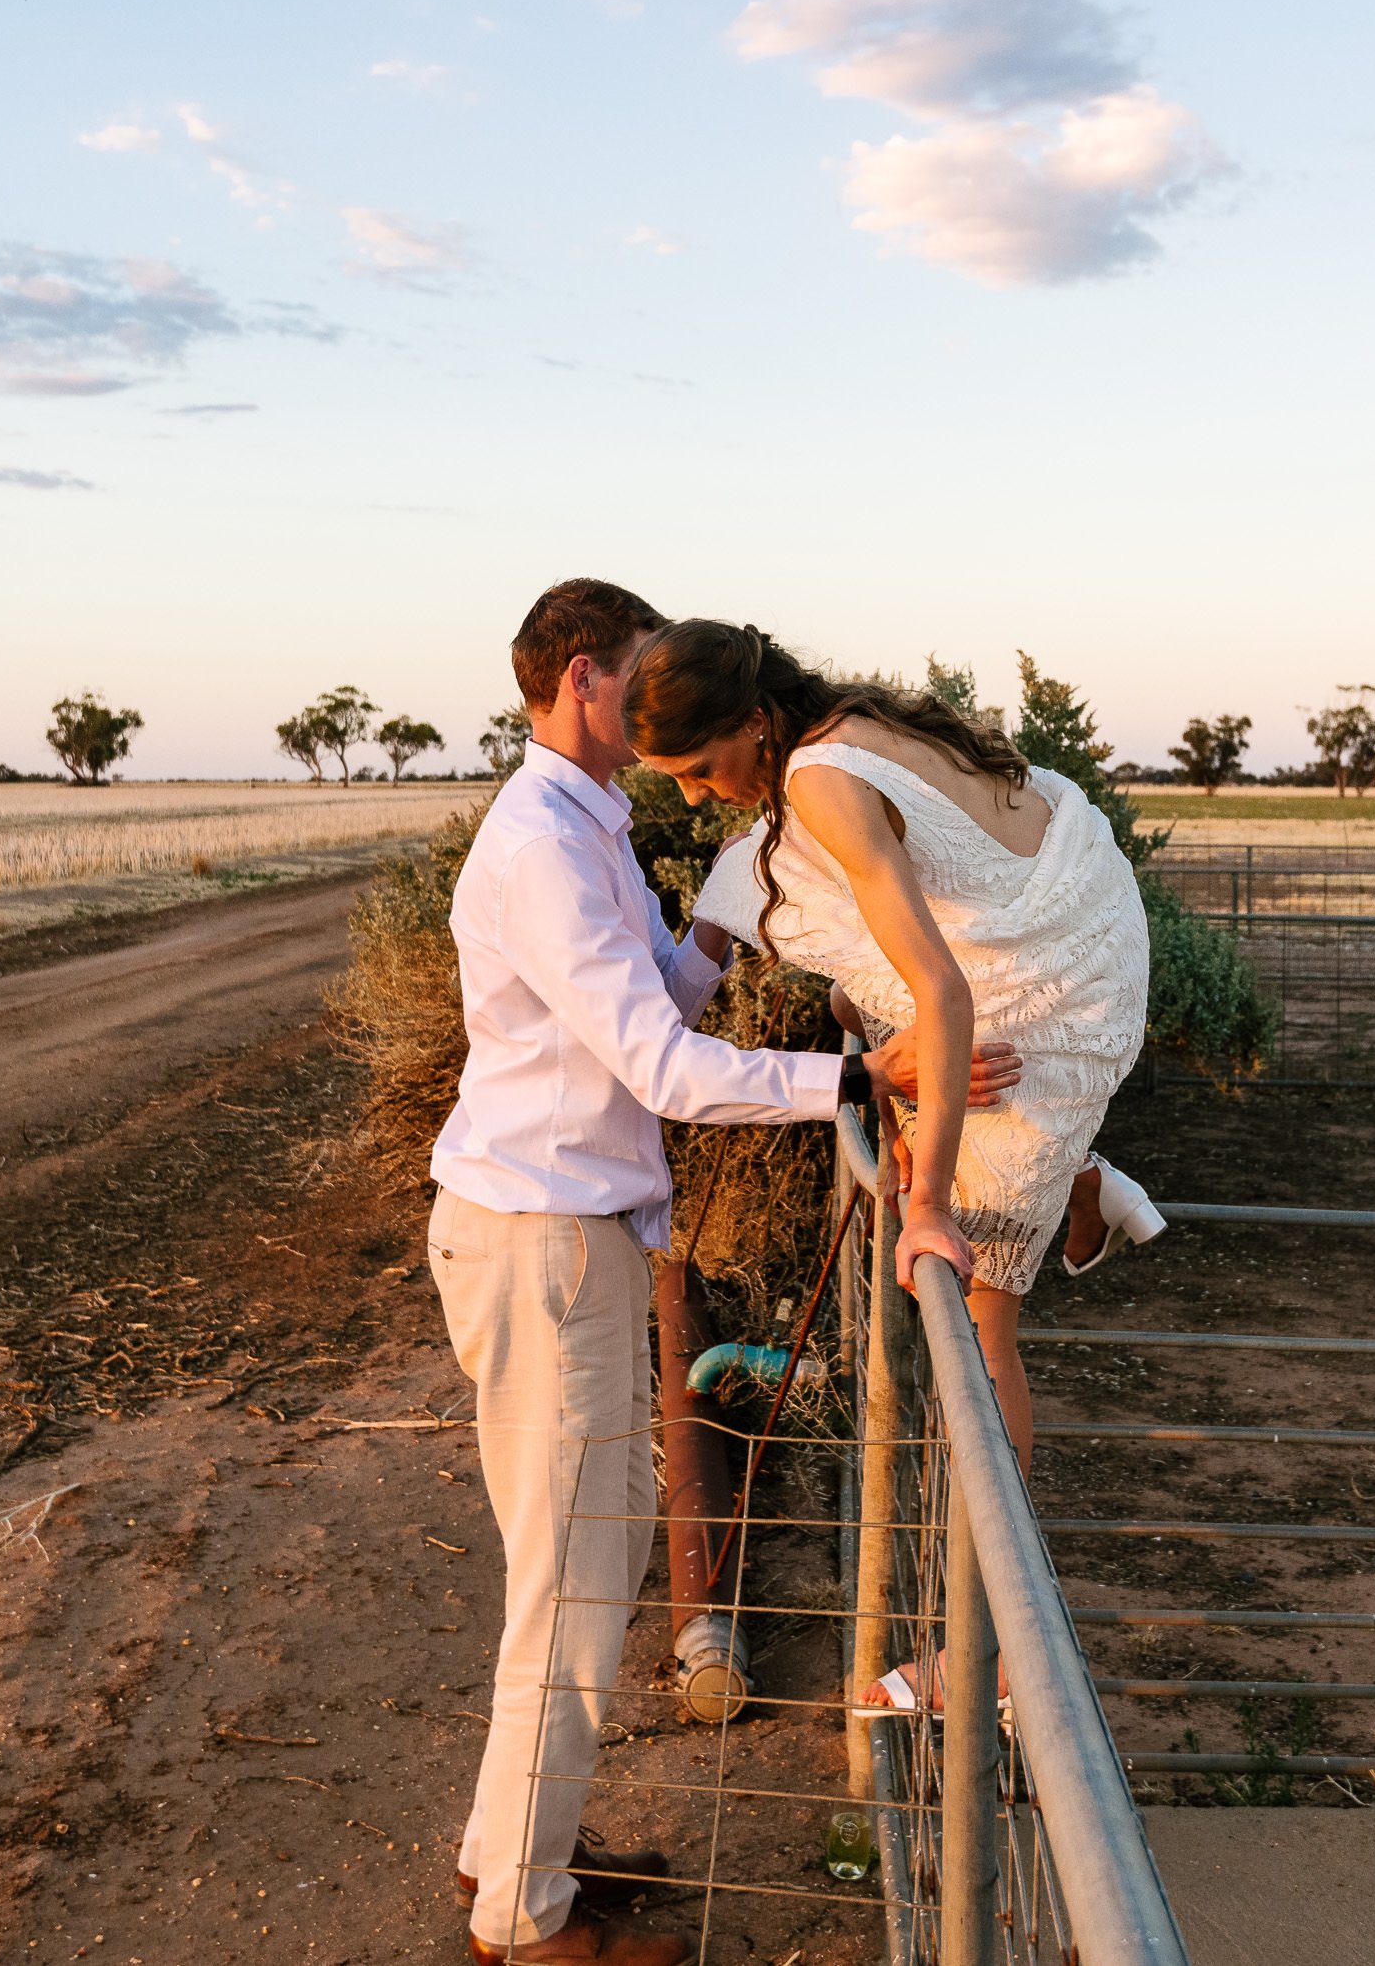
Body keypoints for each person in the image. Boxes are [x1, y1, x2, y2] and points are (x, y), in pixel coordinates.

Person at [429, 580, 1022, 1966]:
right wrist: (853, 1078)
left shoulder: (584, 832)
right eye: (636, 674)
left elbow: (658, 1004)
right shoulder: (547, 850)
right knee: (576, 1586)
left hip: (555, 1237)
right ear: (583, 677)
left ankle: (511, 1855)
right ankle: (523, 1919)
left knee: (572, 1571)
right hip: (542, 1244)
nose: (653, 701)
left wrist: (722, 917)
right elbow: (664, 1070)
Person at [626, 618, 1162, 1498]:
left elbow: (946, 996)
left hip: (1056, 977)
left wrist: (928, 1207)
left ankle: (984, 1635)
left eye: (695, 771)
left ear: (752, 722)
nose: (690, 797)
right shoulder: (831, 724)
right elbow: (891, 981)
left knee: (980, 1317)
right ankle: (1081, 1179)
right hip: (1060, 917)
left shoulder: (823, 779)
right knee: (851, 992)